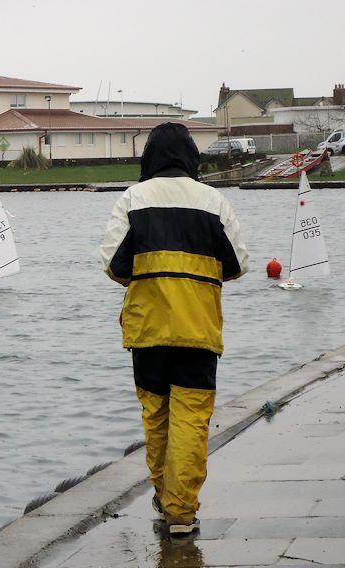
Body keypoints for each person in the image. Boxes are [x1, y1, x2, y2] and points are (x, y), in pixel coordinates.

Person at [99, 123, 248, 535]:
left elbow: (113, 264)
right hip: (198, 331)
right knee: (191, 418)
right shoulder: (214, 203)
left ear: (149, 157)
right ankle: (181, 512)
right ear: (190, 157)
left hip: (147, 331)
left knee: (157, 415)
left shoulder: (132, 200)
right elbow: (238, 265)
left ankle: (165, 497)